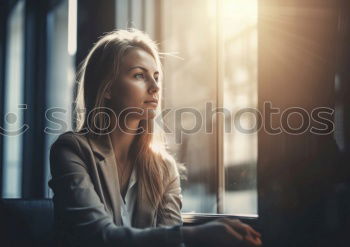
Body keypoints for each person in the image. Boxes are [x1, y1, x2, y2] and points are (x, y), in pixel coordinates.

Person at [48, 28, 262, 247]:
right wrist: (196, 235)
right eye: (139, 75)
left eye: (156, 77)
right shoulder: (71, 150)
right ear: (108, 88)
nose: (155, 87)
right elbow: (98, 237)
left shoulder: (164, 169)